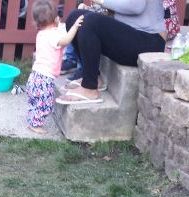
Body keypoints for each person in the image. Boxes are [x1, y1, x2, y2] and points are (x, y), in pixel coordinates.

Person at [57, 0, 166, 105]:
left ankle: (89, 88)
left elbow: (136, 6)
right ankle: (93, 78)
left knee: (89, 21)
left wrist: (102, 1)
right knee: (75, 17)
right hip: (129, 33)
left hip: (149, 41)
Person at [26, 1, 85, 133]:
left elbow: (57, 33)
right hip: (45, 79)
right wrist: (74, 26)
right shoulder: (53, 35)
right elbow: (66, 40)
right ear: (55, 18)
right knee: (45, 104)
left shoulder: (42, 33)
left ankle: (32, 120)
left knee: (34, 101)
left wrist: (58, 26)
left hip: (35, 76)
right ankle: (35, 124)